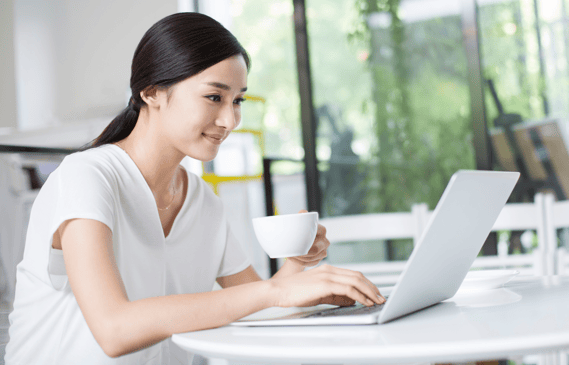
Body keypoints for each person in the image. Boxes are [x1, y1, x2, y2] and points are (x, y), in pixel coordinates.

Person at [4, 12, 384, 365]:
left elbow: (260, 304)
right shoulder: (86, 177)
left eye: (238, 101)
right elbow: (114, 329)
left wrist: (297, 271)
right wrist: (275, 292)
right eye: (214, 97)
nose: (230, 119)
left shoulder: (202, 201)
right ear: (151, 92)